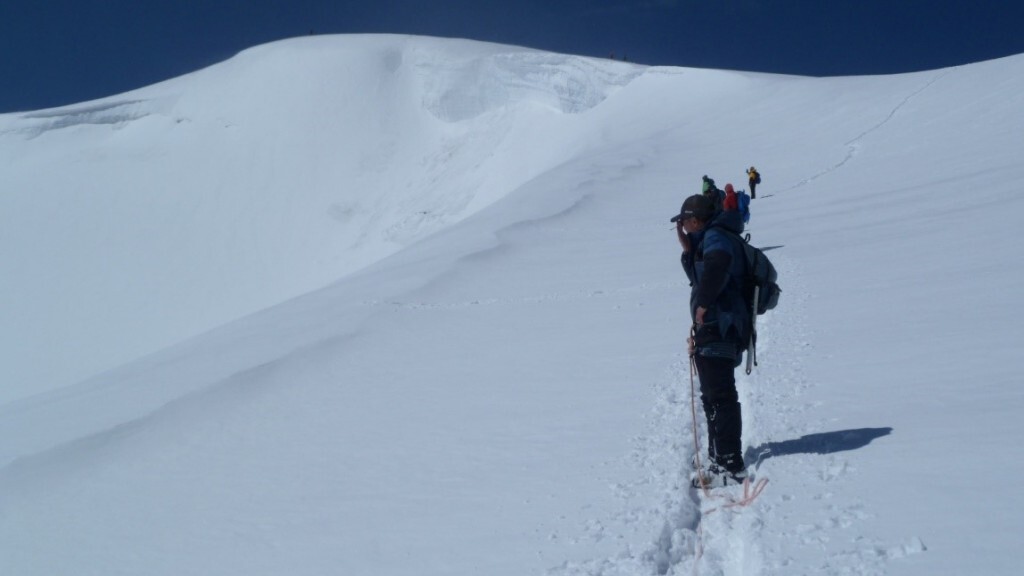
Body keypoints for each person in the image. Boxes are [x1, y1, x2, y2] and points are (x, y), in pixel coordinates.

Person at [672, 194, 750, 487]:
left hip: (721, 324)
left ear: (694, 219)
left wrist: (703, 304)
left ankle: (730, 464)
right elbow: (702, 273)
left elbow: (718, 265)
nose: (681, 226)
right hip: (719, 324)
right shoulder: (712, 237)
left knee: (720, 396)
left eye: (683, 222)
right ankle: (718, 454)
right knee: (713, 395)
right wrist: (687, 248)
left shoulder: (716, 237)